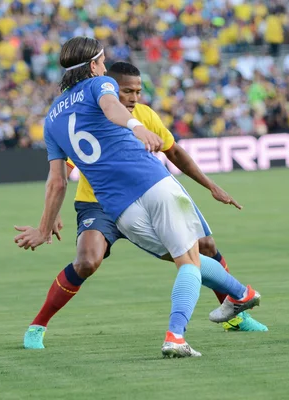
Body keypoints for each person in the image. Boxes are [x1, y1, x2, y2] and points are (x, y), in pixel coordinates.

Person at [14, 37, 262, 358]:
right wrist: (135, 126)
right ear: (93, 66)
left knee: (189, 257)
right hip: (143, 186)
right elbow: (110, 106)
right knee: (184, 260)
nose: (105, 69)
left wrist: (44, 227)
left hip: (119, 205)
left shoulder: (51, 120)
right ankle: (180, 333)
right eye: (102, 62)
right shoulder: (100, 87)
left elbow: (56, 181)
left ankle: (241, 297)